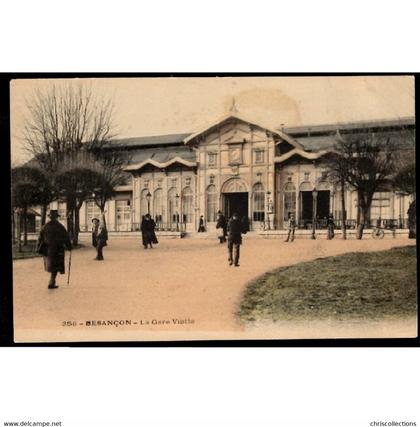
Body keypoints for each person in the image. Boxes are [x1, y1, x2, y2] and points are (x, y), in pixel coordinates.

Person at [36, 210, 72, 289]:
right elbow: (66, 237)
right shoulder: (60, 226)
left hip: (48, 249)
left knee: (51, 265)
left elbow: (40, 238)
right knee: (55, 266)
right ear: (56, 217)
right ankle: (51, 282)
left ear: (50, 217)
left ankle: (52, 281)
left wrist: (38, 248)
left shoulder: (45, 226)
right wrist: (69, 247)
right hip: (58, 249)